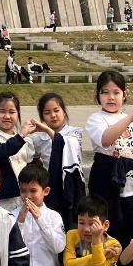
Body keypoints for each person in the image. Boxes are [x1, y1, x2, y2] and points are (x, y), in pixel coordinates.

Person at [84, 71, 133, 245]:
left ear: (124, 95)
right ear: (97, 95)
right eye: (105, 92)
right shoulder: (96, 119)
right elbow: (106, 139)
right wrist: (130, 117)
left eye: (116, 92)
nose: (111, 97)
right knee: (110, 237)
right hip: (108, 189)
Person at [13, 163, 66, 266]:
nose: (27, 196)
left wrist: (40, 220)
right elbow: (9, 248)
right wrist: (20, 223)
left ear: (46, 191)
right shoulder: (13, 215)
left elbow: (58, 247)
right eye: (23, 191)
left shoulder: (53, 216)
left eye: (33, 191)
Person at [30, 92, 85, 223]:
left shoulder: (74, 132)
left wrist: (47, 130)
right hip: (52, 187)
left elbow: (67, 143)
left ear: (64, 111)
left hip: (71, 184)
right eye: (47, 113)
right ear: (42, 117)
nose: (53, 115)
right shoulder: (39, 139)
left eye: (56, 110)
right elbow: (34, 157)